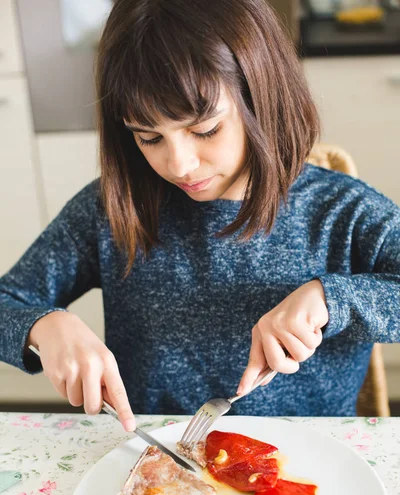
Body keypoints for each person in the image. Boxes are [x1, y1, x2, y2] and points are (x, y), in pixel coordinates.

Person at [0, 0, 399, 430]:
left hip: (308, 470)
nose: (180, 165)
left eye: (205, 130)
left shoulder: (344, 211)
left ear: (261, 94)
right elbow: (8, 302)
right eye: (149, 137)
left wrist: (331, 300)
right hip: (160, 467)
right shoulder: (114, 209)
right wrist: (45, 326)